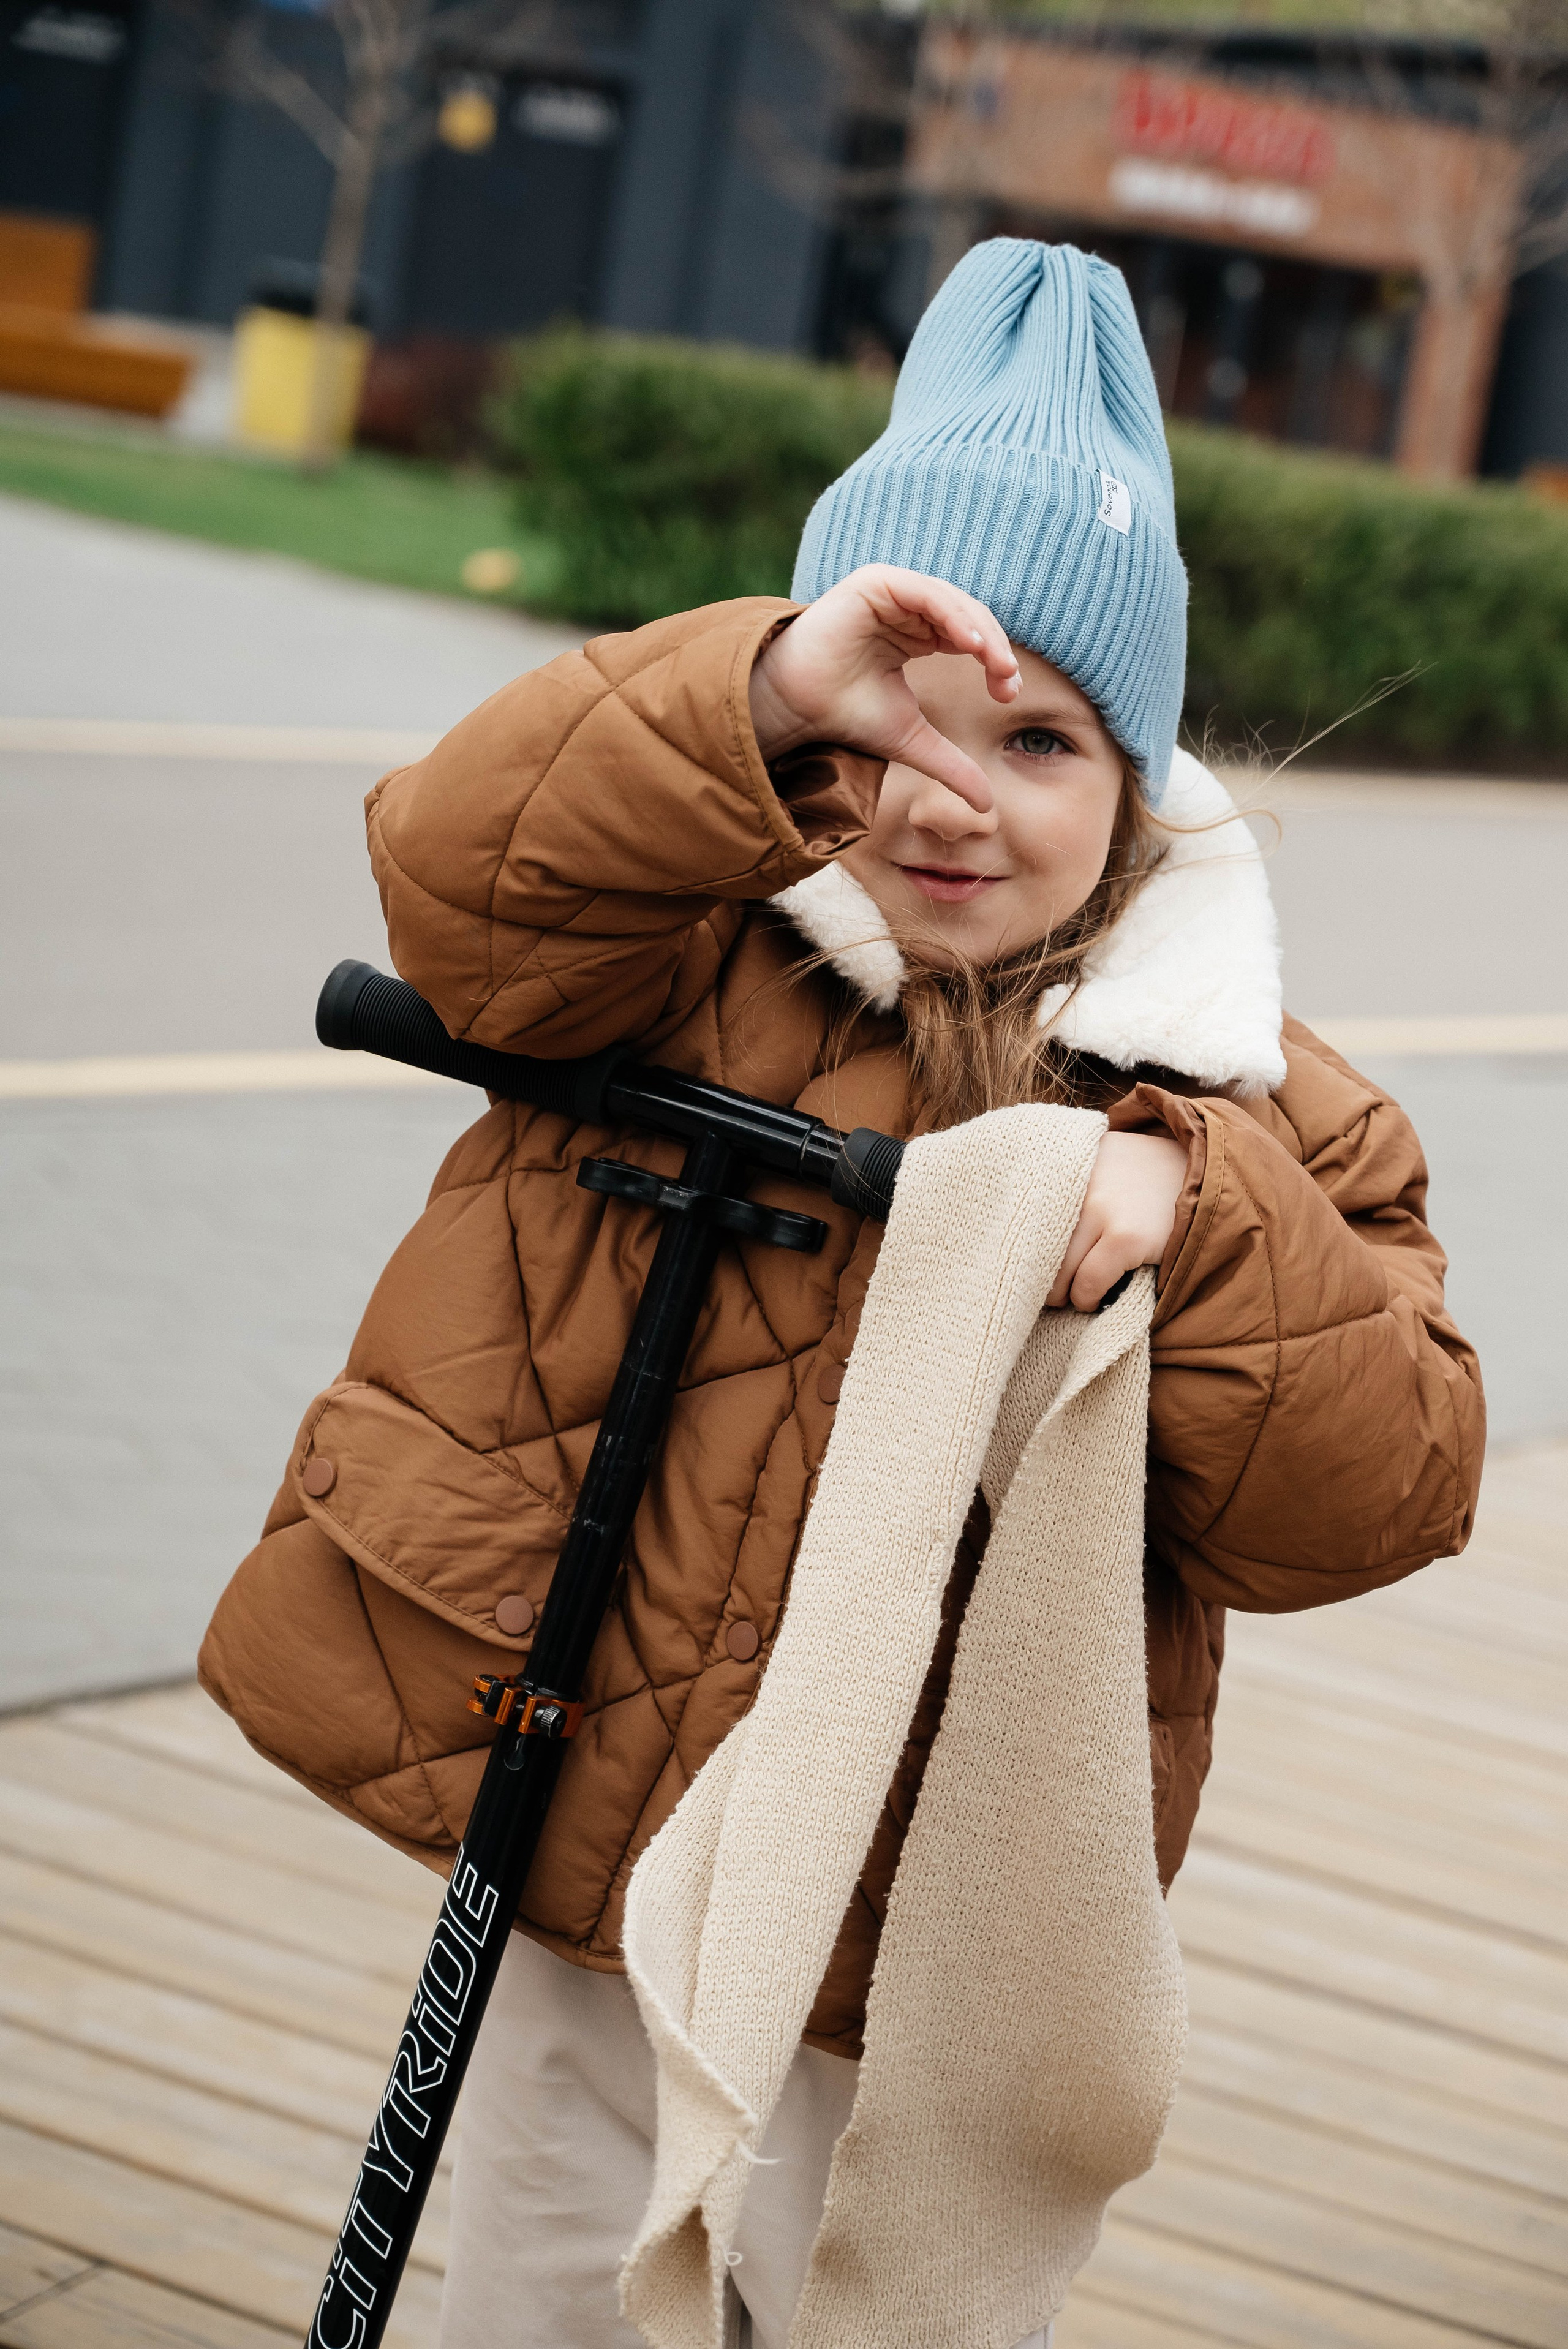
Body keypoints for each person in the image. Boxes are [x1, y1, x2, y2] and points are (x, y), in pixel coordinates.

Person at [200, 241, 1483, 2349]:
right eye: (896, 720)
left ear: (1140, 790)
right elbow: (467, 877)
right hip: (602, 1845)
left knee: (857, 2296)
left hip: (918, 1927)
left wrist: (1197, 1211)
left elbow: (1389, 1482)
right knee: (544, 2280)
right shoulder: (687, 939)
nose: (947, 794)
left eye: (1039, 740)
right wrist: (767, 686)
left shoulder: (1251, 1101)